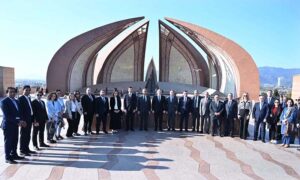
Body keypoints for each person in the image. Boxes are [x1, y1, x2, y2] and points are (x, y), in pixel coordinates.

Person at [1, 87, 26, 164]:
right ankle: (7, 157)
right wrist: (17, 122)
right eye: (10, 92)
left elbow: (19, 113)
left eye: (13, 92)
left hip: (15, 125)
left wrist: (21, 120)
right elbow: (7, 115)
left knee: (15, 140)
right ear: (7, 93)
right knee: (8, 142)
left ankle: (14, 154)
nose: (12, 93)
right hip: (8, 125)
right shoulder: (4, 102)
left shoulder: (16, 101)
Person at [18, 85, 36, 156]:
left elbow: (30, 109)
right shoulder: (21, 99)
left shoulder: (28, 98)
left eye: (29, 90)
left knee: (28, 135)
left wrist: (33, 118)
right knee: (23, 135)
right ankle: (22, 150)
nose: (28, 91)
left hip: (30, 119)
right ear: (23, 90)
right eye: (26, 90)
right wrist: (22, 120)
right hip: (25, 121)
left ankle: (27, 149)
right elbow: (20, 111)